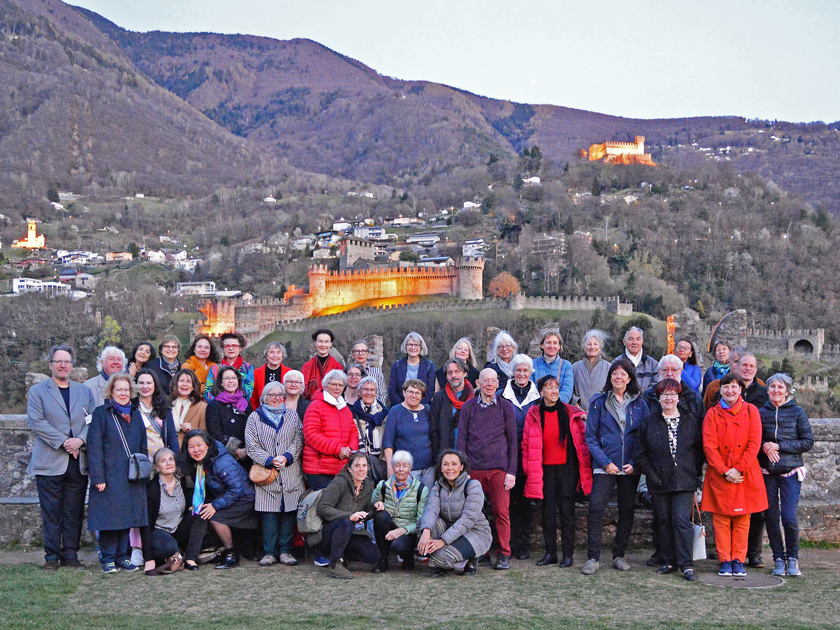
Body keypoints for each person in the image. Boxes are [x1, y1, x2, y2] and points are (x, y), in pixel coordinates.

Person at [27, 344, 96, 571]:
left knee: (73, 511)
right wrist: (65, 442)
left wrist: (81, 441)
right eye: (59, 361)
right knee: (51, 512)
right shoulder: (38, 392)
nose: (63, 365)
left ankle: (70, 555)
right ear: (50, 365)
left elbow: (92, 421)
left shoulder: (84, 392)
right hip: (49, 462)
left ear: (72, 365)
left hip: (77, 462)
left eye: (67, 361)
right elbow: (37, 422)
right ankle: (51, 557)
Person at [582, 357, 649, 575]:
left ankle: (619, 555)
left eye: (622, 374)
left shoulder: (640, 403)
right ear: (609, 377)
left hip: (629, 468)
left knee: (627, 510)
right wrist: (605, 462)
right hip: (605, 466)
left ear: (629, 378)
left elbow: (644, 437)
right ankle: (593, 557)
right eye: (614, 373)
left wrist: (634, 462)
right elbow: (590, 437)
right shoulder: (598, 402)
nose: (618, 377)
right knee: (596, 508)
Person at [634, 379, 704, 581]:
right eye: (664, 394)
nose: (669, 398)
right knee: (663, 521)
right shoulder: (649, 422)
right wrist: (650, 474)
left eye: (673, 394)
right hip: (658, 481)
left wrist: (694, 473)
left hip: (684, 480)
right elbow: (640, 453)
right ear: (658, 397)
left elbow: (698, 450)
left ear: (678, 397)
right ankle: (669, 560)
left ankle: (686, 564)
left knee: (681, 520)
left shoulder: (690, 420)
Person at [704, 352, 769, 567]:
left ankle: (739, 560)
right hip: (720, 472)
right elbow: (709, 446)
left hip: (745, 472)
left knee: (743, 519)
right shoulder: (712, 414)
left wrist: (738, 469)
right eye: (726, 387)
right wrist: (724, 470)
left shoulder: (751, 411)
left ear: (741, 389)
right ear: (720, 390)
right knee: (721, 519)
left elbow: (754, 443)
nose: (730, 391)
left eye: (734, 387)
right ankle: (724, 560)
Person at [521, 375, 591, 568]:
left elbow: (583, 441)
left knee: (568, 513)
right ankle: (550, 552)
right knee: (547, 513)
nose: (554, 391)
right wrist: (529, 469)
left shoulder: (571, 412)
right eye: (549, 387)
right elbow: (526, 444)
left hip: (567, 470)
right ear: (541, 391)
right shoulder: (534, 413)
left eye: (556, 387)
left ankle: (567, 554)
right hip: (544, 470)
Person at [456, 368, 518, 570]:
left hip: (499, 470)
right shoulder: (468, 408)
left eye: (493, 381)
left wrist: (511, 472)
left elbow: (512, 442)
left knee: (501, 512)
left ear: (498, 384)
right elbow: (462, 441)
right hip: (474, 470)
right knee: (476, 514)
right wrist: (461, 471)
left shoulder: (505, 407)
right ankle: (480, 551)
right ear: (478, 383)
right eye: (486, 381)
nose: (490, 385)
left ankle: (504, 553)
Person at [87, 373, 149, 573]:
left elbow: (142, 444)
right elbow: (94, 447)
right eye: (119, 389)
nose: (123, 393)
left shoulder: (136, 413)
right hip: (109, 475)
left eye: (126, 390)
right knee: (109, 519)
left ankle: (123, 556)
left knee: (127, 518)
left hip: (131, 475)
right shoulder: (101, 413)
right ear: (111, 392)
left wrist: (143, 471)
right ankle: (108, 558)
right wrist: (98, 477)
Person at [758, 373, 814, 577]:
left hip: (790, 472)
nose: (776, 391)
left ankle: (793, 558)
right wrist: (765, 446)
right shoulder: (760, 412)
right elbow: (753, 439)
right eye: (772, 387)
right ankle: (778, 558)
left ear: (787, 391)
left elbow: (807, 442)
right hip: (767, 472)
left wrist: (779, 446)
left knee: (789, 517)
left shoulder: (798, 412)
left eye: (780, 387)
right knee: (771, 517)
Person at [244, 382, 304, 567]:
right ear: (264, 397)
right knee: (269, 513)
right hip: (266, 472)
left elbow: (299, 439)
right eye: (273, 395)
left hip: (290, 471)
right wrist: (269, 459)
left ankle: (286, 551)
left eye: (280, 395)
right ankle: (269, 552)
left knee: (288, 511)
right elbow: (251, 445)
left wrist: (286, 457)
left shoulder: (292, 416)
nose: (278, 398)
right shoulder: (255, 417)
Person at [181, 429, 257, 570]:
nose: (196, 450)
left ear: (208, 445)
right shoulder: (200, 463)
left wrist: (215, 505)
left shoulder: (221, 461)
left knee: (215, 517)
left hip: (245, 498)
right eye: (191, 447)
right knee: (205, 512)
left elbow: (236, 489)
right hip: (229, 496)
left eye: (199, 445)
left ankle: (231, 554)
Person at [417, 449, 492, 576]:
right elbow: (431, 509)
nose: (449, 468)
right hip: (449, 529)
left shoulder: (473, 485)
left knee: (441, 558)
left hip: (474, 532)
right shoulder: (438, 486)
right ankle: (442, 560)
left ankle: (469, 558)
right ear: (441, 468)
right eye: (445, 464)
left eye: (454, 464)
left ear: (462, 467)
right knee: (422, 525)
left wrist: (443, 541)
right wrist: (426, 532)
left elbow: (468, 520)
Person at [500, 354, 541, 559]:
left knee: (525, 504)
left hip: (531, 457)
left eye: (525, 370)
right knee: (508, 503)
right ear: (512, 372)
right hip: (508, 457)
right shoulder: (502, 395)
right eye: (518, 370)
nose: (522, 374)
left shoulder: (538, 397)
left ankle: (523, 544)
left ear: (531, 373)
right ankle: (508, 544)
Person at [315, 452, 381, 579]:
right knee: (344, 521)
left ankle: (343, 555)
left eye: (364, 465)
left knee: (373, 555)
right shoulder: (339, 482)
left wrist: (375, 507)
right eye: (357, 466)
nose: (361, 469)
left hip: (350, 532)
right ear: (350, 468)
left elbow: (366, 510)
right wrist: (349, 515)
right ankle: (335, 564)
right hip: (329, 531)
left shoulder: (368, 485)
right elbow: (322, 508)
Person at [371, 450, 429, 573]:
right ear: (393, 467)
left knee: (399, 545)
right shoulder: (383, 486)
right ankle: (383, 559)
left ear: (410, 467)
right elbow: (372, 505)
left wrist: (403, 530)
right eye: (397, 465)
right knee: (380, 516)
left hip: (408, 531)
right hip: (389, 525)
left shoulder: (421, 490)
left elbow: (420, 521)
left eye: (405, 465)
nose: (401, 469)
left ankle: (408, 557)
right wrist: (377, 504)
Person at [302, 369, 359, 491]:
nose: (337, 388)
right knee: (323, 506)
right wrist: (338, 449)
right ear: (325, 385)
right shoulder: (315, 406)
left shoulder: (344, 409)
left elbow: (354, 432)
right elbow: (311, 434)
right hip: (319, 469)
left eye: (340, 385)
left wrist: (350, 449)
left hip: (341, 467)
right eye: (333, 384)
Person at [140, 448, 193, 575]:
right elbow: (145, 523)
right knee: (168, 547)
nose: (168, 463)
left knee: (200, 517)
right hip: (160, 530)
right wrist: (149, 558)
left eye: (171, 459)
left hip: (178, 528)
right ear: (157, 467)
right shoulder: (152, 488)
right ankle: (174, 554)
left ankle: (187, 556)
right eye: (163, 461)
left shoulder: (183, 482)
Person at [383, 379, 435, 489]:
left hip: (429, 469)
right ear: (404, 393)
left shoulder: (428, 410)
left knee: (426, 502)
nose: (413, 396)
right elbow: (388, 441)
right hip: (405, 470)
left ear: (422, 396)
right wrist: (390, 468)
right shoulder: (395, 411)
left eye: (417, 393)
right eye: (410, 392)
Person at [206, 366, 254, 471]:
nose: (230, 381)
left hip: (248, 457)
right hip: (225, 458)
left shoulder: (246, 403)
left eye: (233, 377)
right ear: (220, 382)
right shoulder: (214, 405)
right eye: (226, 378)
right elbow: (214, 433)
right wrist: (235, 450)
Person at [429, 358, 474, 458]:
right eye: (450, 372)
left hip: (470, 455)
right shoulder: (438, 398)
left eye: (457, 371)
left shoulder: (474, 398)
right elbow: (434, 430)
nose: (453, 375)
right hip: (445, 455)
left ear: (465, 373)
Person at [135, 369, 180, 460]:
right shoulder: (132, 408)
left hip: (161, 459)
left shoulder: (164, 407)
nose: (145, 386)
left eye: (149, 383)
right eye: (141, 383)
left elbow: (171, 436)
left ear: (155, 385)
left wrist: (176, 460)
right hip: (140, 458)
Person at [350, 376, 388, 481]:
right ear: (359, 392)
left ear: (376, 393)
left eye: (372, 390)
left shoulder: (385, 414)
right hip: (359, 463)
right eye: (365, 389)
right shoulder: (351, 413)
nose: (369, 393)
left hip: (380, 462)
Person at [389, 332, 436, 406]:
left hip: (422, 408)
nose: (413, 347)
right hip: (399, 407)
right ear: (405, 346)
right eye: (410, 344)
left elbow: (429, 392)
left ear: (421, 347)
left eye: (416, 344)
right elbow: (392, 391)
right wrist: (404, 406)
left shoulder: (429, 366)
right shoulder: (397, 365)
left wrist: (416, 407)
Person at [205, 332, 255, 401]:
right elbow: (207, 392)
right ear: (223, 349)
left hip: (240, 408)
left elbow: (248, 393)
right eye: (227, 346)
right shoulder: (214, 369)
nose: (231, 348)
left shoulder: (248, 368)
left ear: (240, 349)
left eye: (234, 346)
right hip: (219, 408)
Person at [572, 329, 610, 413]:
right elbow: (570, 391)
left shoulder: (609, 367)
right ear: (584, 347)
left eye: (595, 344)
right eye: (589, 344)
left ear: (600, 348)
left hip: (602, 415)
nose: (592, 347)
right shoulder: (575, 367)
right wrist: (576, 405)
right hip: (579, 415)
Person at [168, 368, 208, 447]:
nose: (184, 384)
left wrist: (191, 430)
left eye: (188, 382)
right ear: (176, 384)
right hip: (167, 451)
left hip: (189, 451)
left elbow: (206, 435)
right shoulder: (166, 404)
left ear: (193, 386)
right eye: (181, 381)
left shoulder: (202, 407)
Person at [530, 331, 574, 403]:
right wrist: (543, 403)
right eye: (548, 342)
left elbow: (567, 391)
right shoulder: (532, 364)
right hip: (537, 409)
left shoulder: (566, 366)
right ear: (542, 345)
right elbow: (530, 389)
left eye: (555, 343)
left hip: (558, 410)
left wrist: (552, 404)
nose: (552, 346)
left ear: (559, 346)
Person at [301, 329, 343, 400]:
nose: (323, 345)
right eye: (320, 341)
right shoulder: (307, 366)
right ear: (315, 342)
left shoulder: (337, 366)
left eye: (326, 342)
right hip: (311, 405)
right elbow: (302, 389)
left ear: (331, 344)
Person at [615, 327, 659, 392]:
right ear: (624, 341)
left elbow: (656, 388)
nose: (634, 342)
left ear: (642, 341)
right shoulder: (616, 363)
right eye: (631, 339)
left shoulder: (653, 364)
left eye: (638, 339)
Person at [251, 342, 291, 410]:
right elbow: (252, 397)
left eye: (278, 352)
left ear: (282, 355)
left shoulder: (289, 373)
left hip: (284, 413)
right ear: (266, 355)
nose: (275, 355)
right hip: (261, 412)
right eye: (272, 352)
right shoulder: (256, 373)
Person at [349, 340, 388, 405]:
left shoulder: (376, 372)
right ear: (353, 355)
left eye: (363, 351)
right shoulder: (348, 373)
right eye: (357, 351)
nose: (360, 354)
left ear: (368, 355)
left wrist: (378, 409)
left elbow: (382, 394)